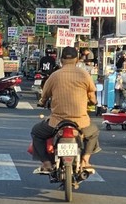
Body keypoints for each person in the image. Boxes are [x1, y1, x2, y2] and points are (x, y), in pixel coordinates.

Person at [32, 46, 100, 174]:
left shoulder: (55, 75)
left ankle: (46, 163)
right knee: (93, 133)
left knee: (36, 132)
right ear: (77, 60)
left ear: (61, 60)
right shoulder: (84, 75)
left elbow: (44, 95)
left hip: (57, 122)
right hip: (81, 122)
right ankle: (85, 160)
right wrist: (94, 102)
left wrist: (42, 102)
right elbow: (92, 95)